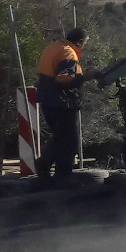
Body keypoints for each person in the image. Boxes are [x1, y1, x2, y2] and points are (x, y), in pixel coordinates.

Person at [34, 28, 89, 184]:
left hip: (48, 100)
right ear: (79, 42)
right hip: (62, 102)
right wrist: (86, 77)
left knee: (60, 137)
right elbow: (62, 78)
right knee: (69, 141)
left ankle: (44, 163)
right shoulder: (68, 53)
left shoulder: (53, 48)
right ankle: (63, 178)